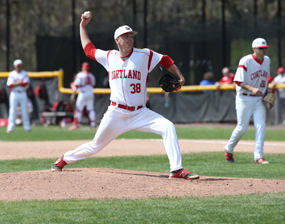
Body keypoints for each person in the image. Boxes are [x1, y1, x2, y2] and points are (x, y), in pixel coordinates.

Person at [51, 11, 199, 180]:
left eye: (131, 36)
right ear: (117, 40)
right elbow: (88, 50)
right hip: (116, 113)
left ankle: (177, 169)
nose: (129, 38)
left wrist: (180, 78)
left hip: (140, 112)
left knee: (168, 127)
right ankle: (63, 160)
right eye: (125, 36)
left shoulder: (144, 54)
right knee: (95, 146)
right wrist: (82, 26)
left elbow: (165, 59)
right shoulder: (109, 57)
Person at [224, 38, 271, 164]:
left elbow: (265, 78)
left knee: (261, 126)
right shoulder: (246, 60)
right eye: (261, 48)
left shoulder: (267, 60)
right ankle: (229, 149)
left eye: (265, 48)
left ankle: (258, 156)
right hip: (244, 97)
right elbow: (238, 81)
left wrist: (268, 90)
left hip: (258, 99)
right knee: (242, 128)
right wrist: (252, 89)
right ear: (254, 49)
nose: (264, 50)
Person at [69, 62, 96, 130]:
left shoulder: (80, 75)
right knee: (90, 109)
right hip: (90, 93)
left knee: (78, 110)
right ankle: (93, 124)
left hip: (83, 94)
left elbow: (75, 86)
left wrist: (73, 95)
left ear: (83, 67)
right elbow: (92, 85)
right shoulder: (92, 76)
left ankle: (76, 125)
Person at [6, 59, 31, 133]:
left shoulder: (24, 73)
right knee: (12, 111)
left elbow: (25, 84)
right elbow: (10, 85)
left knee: (25, 110)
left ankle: (27, 127)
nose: (19, 68)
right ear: (14, 66)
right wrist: (19, 82)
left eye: (20, 66)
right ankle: (10, 127)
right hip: (14, 93)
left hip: (23, 92)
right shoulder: (12, 74)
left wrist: (16, 83)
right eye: (17, 66)